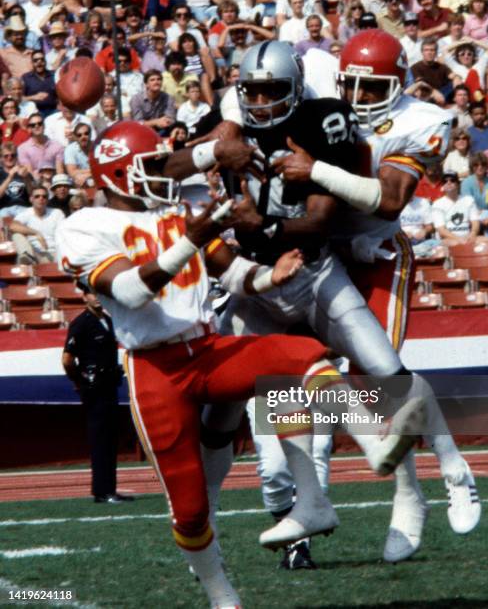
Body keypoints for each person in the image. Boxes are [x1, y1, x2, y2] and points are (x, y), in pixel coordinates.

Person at [55, 120, 420, 608]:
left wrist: (272, 277)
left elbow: (233, 271)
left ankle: (342, 471)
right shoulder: (82, 225)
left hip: (205, 349)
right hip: (156, 370)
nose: (165, 172)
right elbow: (129, 291)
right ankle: (221, 594)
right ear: (121, 175)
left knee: (300, 355)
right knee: (189, 511)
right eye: (153, 166)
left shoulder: (174, 210)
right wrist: (191, 237)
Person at [272, 30, 481, 562]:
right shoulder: (319, 78)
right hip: (314, 257)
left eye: (373, 89)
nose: (360, 98)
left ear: (400, 83)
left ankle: (439, 479)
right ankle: (305, 511)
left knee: (381, 385)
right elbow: (278, 66)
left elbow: (388, 202)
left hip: (374, 251)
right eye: (353, 87)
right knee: (299, 388)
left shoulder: (421, 121)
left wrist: (315, 169)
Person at [62, 285, 131, 504]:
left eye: (99, 294)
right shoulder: (81, 324)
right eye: (92, 294)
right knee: (100, 439)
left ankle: (109, 488)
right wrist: (80, 382)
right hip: (94, 388)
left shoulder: (107, 321)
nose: (97, 298)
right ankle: (102, 491)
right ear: (84, 297)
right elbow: (67, 359)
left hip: (109, 384)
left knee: (110, 438)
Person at [11, 183, 64, 262]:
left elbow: (64, 234)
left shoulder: (57, 213)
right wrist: (36, 233)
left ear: (48, 199)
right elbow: (13, 226)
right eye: (37, 196)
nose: (41, 198)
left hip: (54, 254)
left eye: (44, 196)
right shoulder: (26, 213)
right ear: (31, 199)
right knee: (17, 235)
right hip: (34, 254)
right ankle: (27, 259)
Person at [432, 170, 482, 245]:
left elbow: (475, 222)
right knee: (456, 243)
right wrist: (459, 239)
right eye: (445, 181)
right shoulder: (437, 204)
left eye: (452, 180)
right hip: (448, 239)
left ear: (458, 184)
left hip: (468, 237)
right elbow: (442, 231)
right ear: (442, 185)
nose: (448, 183)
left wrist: (473, 234)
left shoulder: (469, 200)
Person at [130, 69, 177, 136]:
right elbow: (138, 123)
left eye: (159, 79)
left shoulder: (168, 98)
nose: (156, 82)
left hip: (163, 130)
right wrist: (156, 122)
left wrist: (165, 122)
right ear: (146, 84)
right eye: (152, 80)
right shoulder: (136, 99)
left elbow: (171, 119)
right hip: (142, 132)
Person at [18, 111, 64, 177]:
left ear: (44, 126)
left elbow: (60, 172)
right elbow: (30, 174)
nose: (37, 126)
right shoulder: (22, 149)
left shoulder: (57, 146)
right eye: (33, 125)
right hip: (35, 184)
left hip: (54, 182)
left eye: (39, 123)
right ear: (29, 129)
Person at [63, 122, 94, 188]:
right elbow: (72, 172)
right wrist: (93, 171)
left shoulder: (98, 147)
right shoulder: (70, 149)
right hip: (79, 182)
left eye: (86, 133)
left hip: (96, 179)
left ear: (90, 134)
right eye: (79, 135)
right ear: (75, 137)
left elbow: (103, 169)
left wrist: (86, 175)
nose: (83, 137)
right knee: (78, 179)